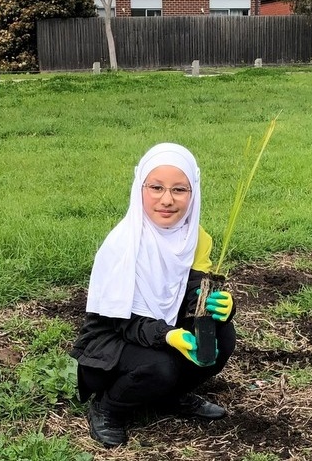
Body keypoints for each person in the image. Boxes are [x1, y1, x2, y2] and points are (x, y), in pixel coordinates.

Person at [69, 143, 236, 448]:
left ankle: (169, 395)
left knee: (219, 337)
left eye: (179, 190)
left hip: (161, 330)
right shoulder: (124, 244)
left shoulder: (195, 238)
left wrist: (218, 306)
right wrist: (167, 336)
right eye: (156, 187)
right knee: (160, 366)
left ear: (193, 192)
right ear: (140, 187)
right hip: (113, 342)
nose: (167, 200)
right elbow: (119, 320)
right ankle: (107, 409)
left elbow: (192, 293)